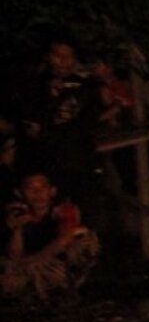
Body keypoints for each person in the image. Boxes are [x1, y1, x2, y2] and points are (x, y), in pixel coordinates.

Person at [18, 40, 106, 220]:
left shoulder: (86, 86)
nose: (63, 61)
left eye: (69, 56)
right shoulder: (35, 84)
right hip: (44, 162)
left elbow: (87, 123)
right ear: (49, 57)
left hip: (77, 162)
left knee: (83, 215)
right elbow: (29, 120)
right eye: (58, 56)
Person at [2, 170, 100, 300]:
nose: (38, 193)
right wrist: (17, 229)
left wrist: (34, 261)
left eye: (43, 188)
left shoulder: (63, 210)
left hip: (55, 262)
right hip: (31, 264)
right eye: (31, 189)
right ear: (19, 193)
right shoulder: (18, 212)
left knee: (82, 241)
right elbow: (15, 255)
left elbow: (65, 239)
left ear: (52, 191)